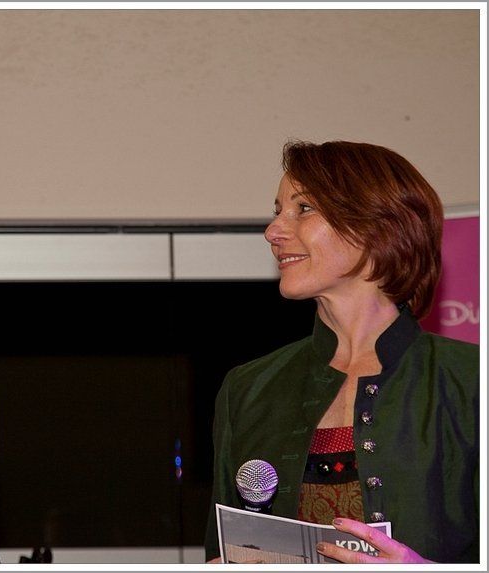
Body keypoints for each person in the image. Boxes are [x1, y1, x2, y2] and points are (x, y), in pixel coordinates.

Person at [204, 141, 478, 564]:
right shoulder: (248, 388)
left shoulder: (471, 381)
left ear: (377, 226)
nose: (273, 231)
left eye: (303, 208)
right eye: (278, 210)